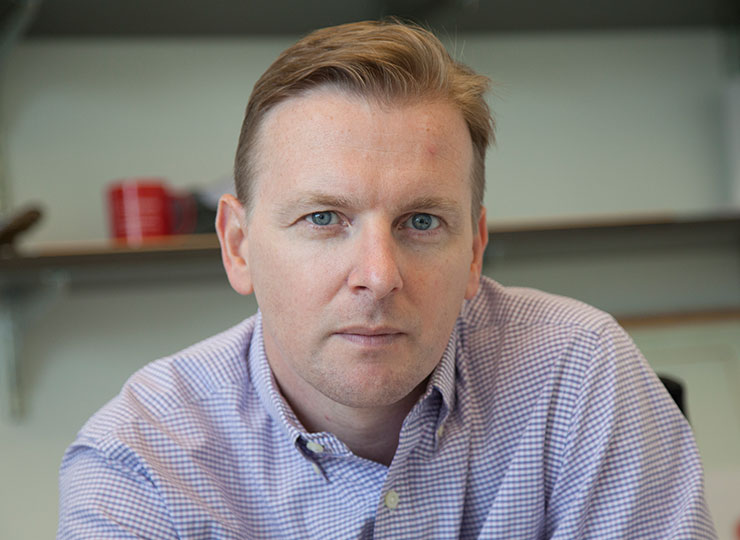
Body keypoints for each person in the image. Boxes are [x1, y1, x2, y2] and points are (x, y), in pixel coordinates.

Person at [58, 20, 716, 539]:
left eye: (422, 221)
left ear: (475, 249)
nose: (377, 277)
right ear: (237, 246)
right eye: (323, 218)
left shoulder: (577, 375)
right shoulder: (140, 463)